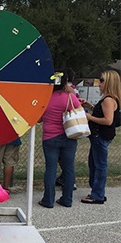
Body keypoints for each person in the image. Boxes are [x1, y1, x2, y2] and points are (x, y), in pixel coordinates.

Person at [38, 70, 81, 208]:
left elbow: (39, 119)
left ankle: (48, 199)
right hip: (69, 135)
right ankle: (67, 199)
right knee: (69, 168)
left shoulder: (45, 98)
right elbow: (78, 110)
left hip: (50, 137)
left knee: (50, 169)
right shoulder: (69, 97)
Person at [80, 70, 121, 204]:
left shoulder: (108, 100)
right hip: (99, 135)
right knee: (94, 163)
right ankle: (97, 191)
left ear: (109, 82)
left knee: (99, 165)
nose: (99, 83)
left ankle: (97, 194)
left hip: (100, 135)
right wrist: (90, 106)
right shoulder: (109, 98)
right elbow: (104, 113)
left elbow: (108, 120)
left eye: (102, 80)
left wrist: (89, 117)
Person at [56, 67, 79, 187]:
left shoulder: (66, 91)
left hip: (58, 129)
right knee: (68, 160)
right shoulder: (73, 90)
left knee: (61, 159)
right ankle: (68, 180)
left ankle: (67, 178)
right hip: (70, 128)